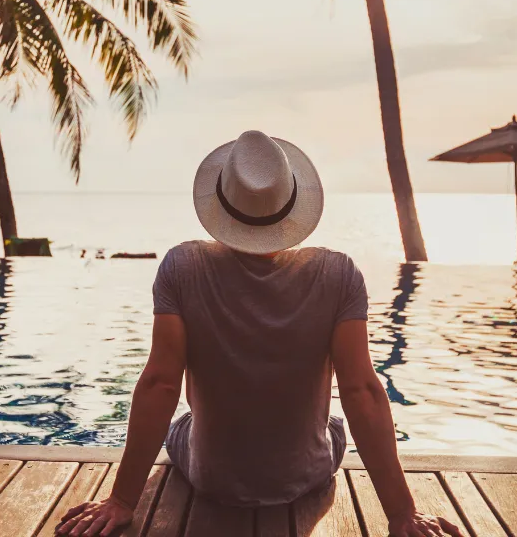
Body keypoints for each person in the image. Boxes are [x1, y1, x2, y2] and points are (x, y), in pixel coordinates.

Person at [57, 131, 462, 537]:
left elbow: (161, 384)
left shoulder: (182, 268)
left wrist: (122, 500)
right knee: (334, 422)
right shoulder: (339, 275)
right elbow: (361, 392)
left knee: (179, 421)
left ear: (221, 201)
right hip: (305, 476)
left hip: (210, 477)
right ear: (292, 203)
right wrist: (402, 514)